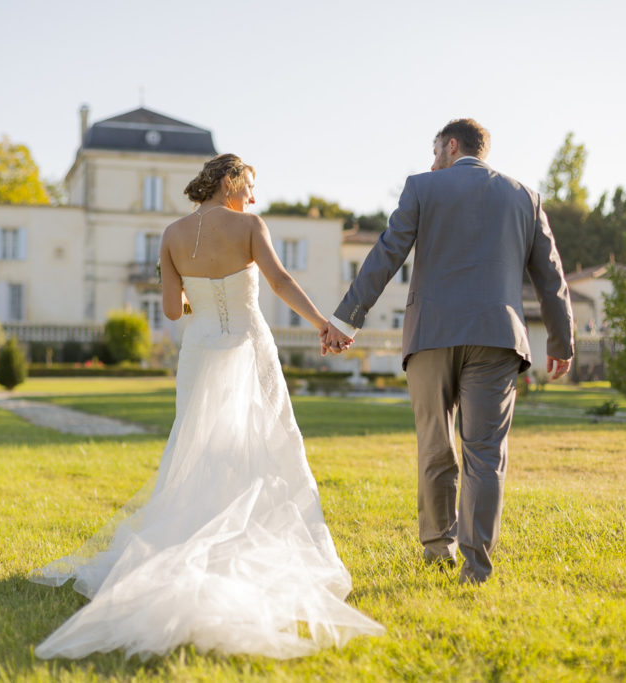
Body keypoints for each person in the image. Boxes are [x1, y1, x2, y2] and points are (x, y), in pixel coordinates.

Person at [30, 154, 383, 660]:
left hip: (199, 352)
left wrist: (200, 295)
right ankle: (242, 546)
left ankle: (188, 543)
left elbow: (172, 310)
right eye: (251, 185)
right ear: (230, 181)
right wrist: (322, 323)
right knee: (264, 443)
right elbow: (280, 281)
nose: (254, 198)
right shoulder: (249, 226)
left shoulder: (171, 234)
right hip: (247, 343)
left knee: (196, 447)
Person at [322, 118, 575, 585]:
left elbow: (386, 253)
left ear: (451, 144)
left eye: (434, 148)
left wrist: (345, 319)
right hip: (497, 338)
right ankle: (477, 568)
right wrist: (561, 341)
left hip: (430, 336)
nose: (431, 158)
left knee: (435, 448)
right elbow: (552, 276)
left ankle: (440, 551)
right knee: (485, 454)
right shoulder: (525, 197)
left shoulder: (422, 188)